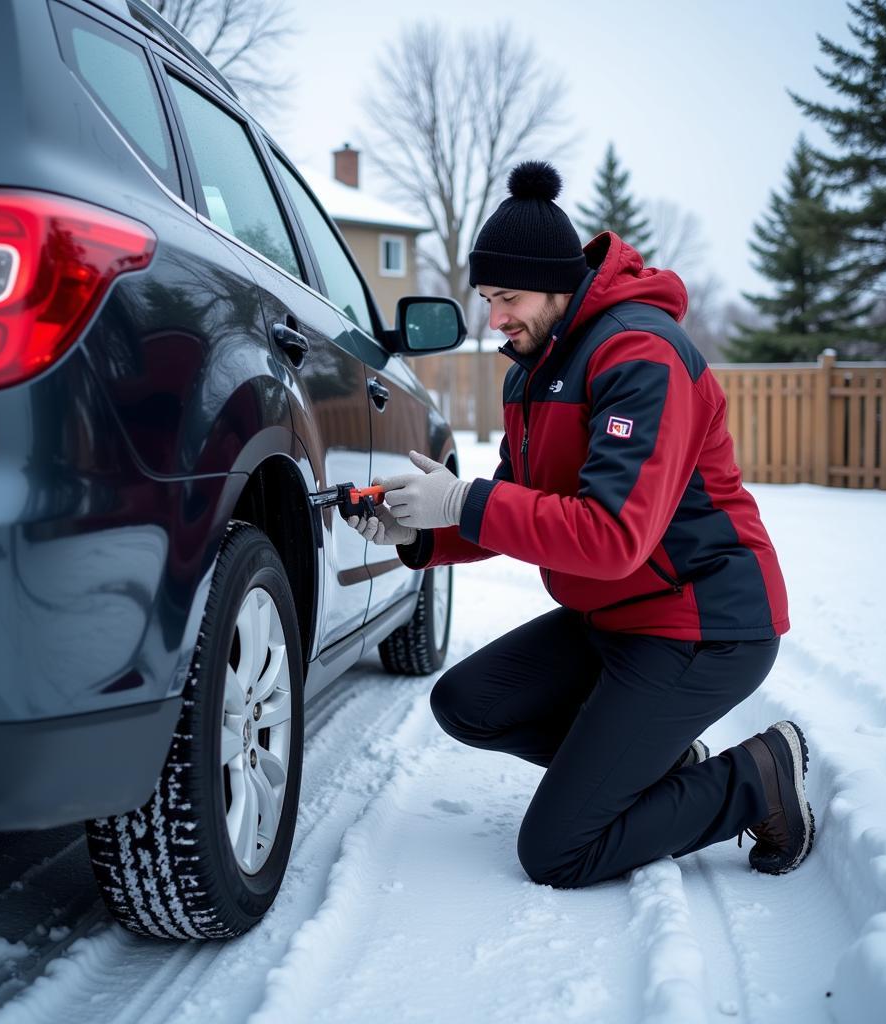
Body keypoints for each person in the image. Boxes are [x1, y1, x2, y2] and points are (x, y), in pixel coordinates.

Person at [344, 160, 814, 888]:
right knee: (468, 704)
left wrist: (461, 501)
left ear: (559, 285)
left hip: (701, 622)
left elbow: (611, 535)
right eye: (487, 300)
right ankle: (648, 766)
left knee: (558, 851)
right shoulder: (531, 369)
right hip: (615, 619)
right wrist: (420, 531)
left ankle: (758, 778)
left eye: (508, 298)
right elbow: (518, 502)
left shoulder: (641, 354)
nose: (495, 319)